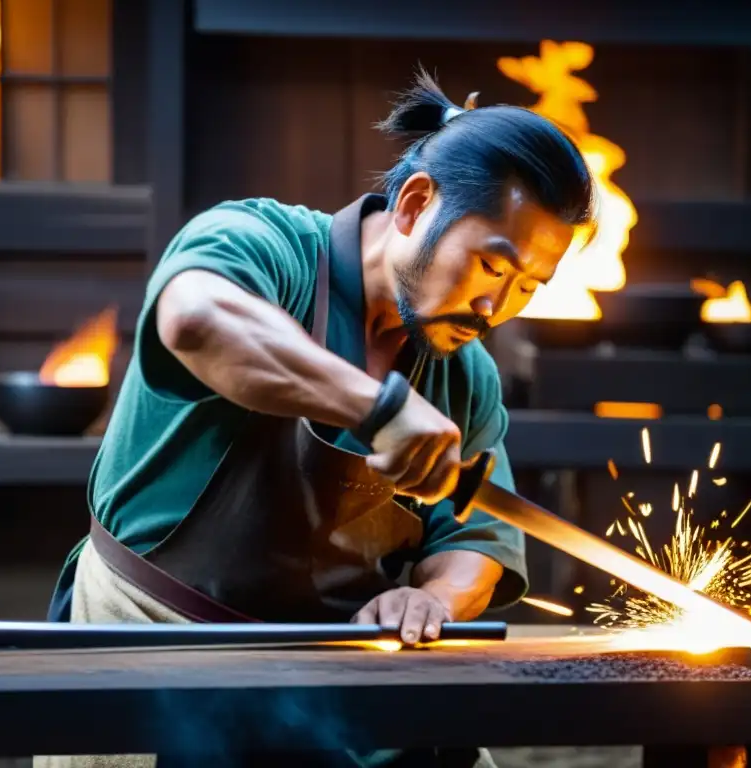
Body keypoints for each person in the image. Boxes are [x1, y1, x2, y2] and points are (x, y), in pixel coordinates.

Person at [39, 70, 596, 768]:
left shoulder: (465, 371)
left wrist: (435, 600)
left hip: (342, 671)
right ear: (416, 205)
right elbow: (195, 320)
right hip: (155, 639)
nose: (497, 308)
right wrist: (378, 408)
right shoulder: (259, 242)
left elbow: (478, 540)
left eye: (525, 288)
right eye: (491, 266)